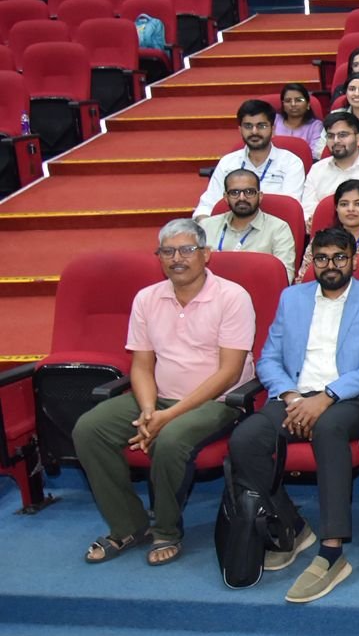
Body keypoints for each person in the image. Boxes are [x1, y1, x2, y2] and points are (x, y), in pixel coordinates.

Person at [228, 226, 359, 602]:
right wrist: (290, 396)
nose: (330, 265)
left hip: (347, 400)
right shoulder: (292, 298)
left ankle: (332, 550)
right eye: (322, 258)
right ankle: (293, 524)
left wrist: (328, 395)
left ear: (353, 261)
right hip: (293, 397)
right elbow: (269, 358)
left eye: (339, 257)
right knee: (245, 439)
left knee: (328, 430)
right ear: (312, 263)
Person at [74, 219, 254, 566]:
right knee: (90, 429)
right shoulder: (147, 298)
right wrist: (147, 410)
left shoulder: (232, 297)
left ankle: (166, 531)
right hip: (159, 398)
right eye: (167, 252)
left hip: (218, 401)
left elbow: (229, 373)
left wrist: (167, 417)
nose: (177, 259)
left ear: (206, 254)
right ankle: (128, 525)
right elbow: (141, 365)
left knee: (170, 439)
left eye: (187, 250)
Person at [193, 99, 307, 217]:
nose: (254, 132)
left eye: (261, 126)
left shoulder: (290, 163)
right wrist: (204, 222)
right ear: (240, 130)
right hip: (231, 225)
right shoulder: (228, 163)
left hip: (275, 226)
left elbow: (290, 210)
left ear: (273, 130)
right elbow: (207, 206)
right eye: (248, 126)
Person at [198, 168, 297, 281]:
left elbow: (284, 277)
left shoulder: (278, 228)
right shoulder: (206, 226)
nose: (242, 198)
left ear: (260, 196)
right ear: (226, 197)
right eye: (234, 193)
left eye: (249, 192)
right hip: (214, 290)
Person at [299, 111, 359, 227]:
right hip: (323, 233)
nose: (336, 140)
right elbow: (307, 209)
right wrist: (311, 221)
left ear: (358, 139)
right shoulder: (317, 169)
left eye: (343, 135)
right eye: (330, 136)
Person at [274, 82, 323, 148]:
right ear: (283, 105)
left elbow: (315, 152)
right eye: (288, 101)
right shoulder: (274, 120)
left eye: (299, 100)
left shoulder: (315, 126)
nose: (293, 104)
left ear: (308, 104)